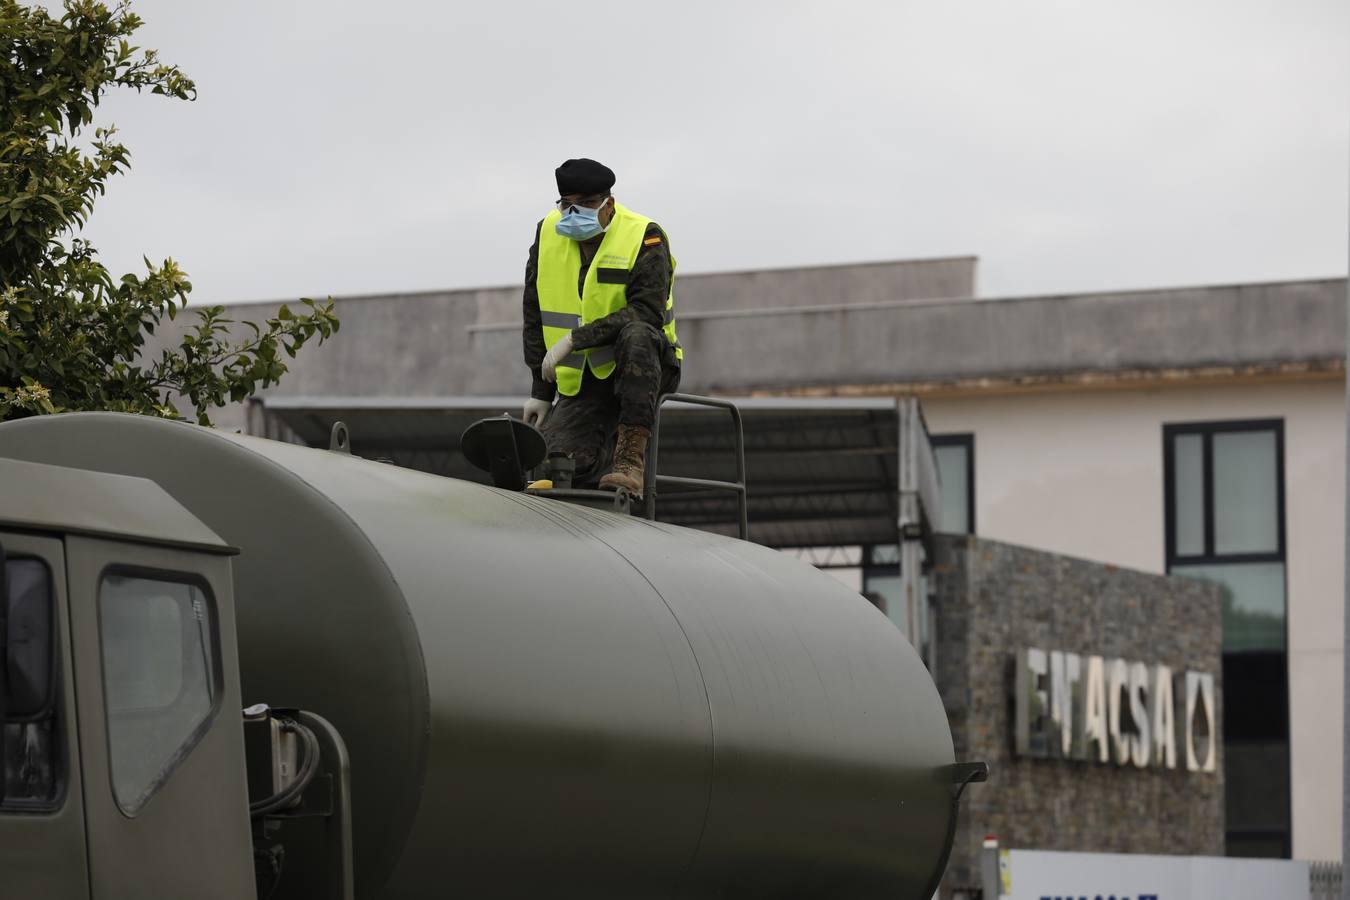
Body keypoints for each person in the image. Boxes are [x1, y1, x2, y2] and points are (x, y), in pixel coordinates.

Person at [521, 158, 681, 496]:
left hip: (644, 365)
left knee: (637, 334)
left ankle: (628, 461)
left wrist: (574, 340)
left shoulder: (644, 236)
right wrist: (540, 390)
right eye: (568, 205)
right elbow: (534, 310)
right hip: (585, 379)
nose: (576, 213)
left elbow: (646, 312)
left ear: (608, 203)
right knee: (555, 468)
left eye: (588, 204)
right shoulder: (547, 233)